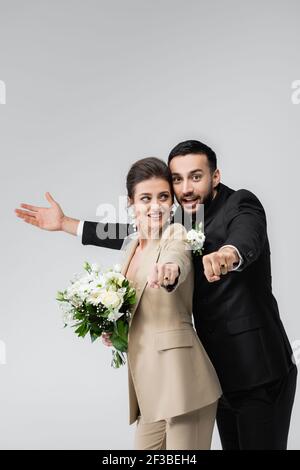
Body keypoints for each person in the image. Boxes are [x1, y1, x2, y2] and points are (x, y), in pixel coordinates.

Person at [15, 140, 297, 450]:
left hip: (258, 369)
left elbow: (247, 234)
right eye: (177, 179)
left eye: (196, 176)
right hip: (215, 371)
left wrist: (228, 254)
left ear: (215, 176)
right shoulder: (183, 220)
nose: (186, 188)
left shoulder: (240, 203)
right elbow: (131, 235)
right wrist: (66, 224)